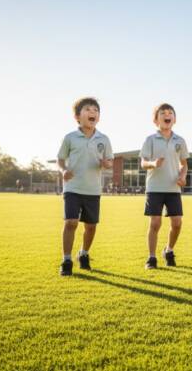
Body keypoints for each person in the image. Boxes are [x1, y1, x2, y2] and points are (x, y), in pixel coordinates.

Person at [56, 97, 113, 276]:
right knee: (71, 222)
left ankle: (84, 254)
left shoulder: (104, 139)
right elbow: (60, 159)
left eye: (96, 111)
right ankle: (66, 260)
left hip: (93, 190)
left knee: (91, 226)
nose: (93, 113)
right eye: (88, 110)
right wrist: (63, 170)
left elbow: (110, 161)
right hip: (72, 187)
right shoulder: (70, 138)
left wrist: (107, 163)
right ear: (77, 117)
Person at [140, 103, 189, 269]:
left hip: (173, 189)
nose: (167, 115)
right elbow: (143, 162)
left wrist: (182, 176)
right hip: (154, 188)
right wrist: (153, 163)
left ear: (174, 119)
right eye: (163, 113)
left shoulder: (180, 141)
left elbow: (184, 164)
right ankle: (151, 258)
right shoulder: (150, 140)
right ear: (156, 120)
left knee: (177, 223)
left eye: (170, 113)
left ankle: (168, 250)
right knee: (155, 223)